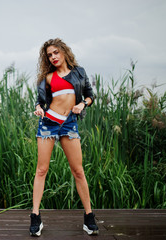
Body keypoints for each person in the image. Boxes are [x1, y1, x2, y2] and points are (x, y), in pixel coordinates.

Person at [29, 38, 98, 236]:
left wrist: (82, 104)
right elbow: (40, 101)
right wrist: (38, 109)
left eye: (56, 52)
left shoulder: (79, 72)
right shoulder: (47, 77)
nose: (53, 57)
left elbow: (90, 94)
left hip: (69, 124)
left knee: (78, 171)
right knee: (41, 170)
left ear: (64, 52)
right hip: (48, 123)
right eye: (50, 55)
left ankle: (89, 217)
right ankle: (35, 216)